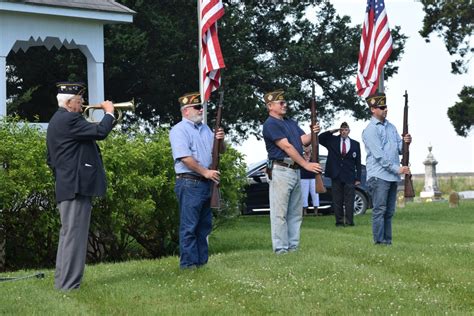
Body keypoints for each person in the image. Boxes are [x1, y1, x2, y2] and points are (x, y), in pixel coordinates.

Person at [46, 82, 115, 290]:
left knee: (69, 236)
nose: (83, 103)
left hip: (68, 185)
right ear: (68, 103)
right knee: (74, 237)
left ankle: (63, 282)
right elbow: (101, 131)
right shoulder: (70, 118)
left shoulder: (57, 120)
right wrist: (109, 113)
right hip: (75, 186)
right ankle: (68, 285)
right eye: (79, 100)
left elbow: (50, 159)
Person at [262, 89, 322, 254]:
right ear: (270, 106)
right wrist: (306, 164)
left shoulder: (290, 122)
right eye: (280, 103)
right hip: (281, 169)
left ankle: (293, 247)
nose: (284, 105)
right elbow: (287, 146)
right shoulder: (270, 124)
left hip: (294, 170)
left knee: (295, 213)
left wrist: (314, 132)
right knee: (279, 213)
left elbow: (302, 140)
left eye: (284, 102)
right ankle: (281, 249)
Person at [169, 92, 225, 269]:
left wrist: (220, 140)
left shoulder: (206, 129)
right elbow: (184, 157)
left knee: (204, 227)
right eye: (197, 107)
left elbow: (220, 151)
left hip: (204, 183)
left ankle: (201, 263)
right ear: (186, 111)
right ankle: (188, 264)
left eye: (200, 107)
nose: (201, 110)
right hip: (190, 181)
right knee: (189, 227)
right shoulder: (179, 130)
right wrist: (205, 172)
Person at [362, 92, 411, 245]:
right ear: (373, 109)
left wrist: (407, 142)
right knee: (379, 210)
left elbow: (399, 149)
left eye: (385, 107)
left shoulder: (391, 127)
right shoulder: (370, 130)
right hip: (379, 176)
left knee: (389, 212)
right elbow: (380, 157)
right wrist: (398, 169)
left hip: (391, 176)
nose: (385, 109)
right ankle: (379, 242)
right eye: (381, 107)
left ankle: (387, 241)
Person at [319, 122, 362, 227]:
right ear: (340, 130)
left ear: (349, 131)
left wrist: (358, 177)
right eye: (342, 130)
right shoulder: (332, 141)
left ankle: (349, 221)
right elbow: (320, 138)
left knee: (349, 199)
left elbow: (358, 162)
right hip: (336, 174)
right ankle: (339, 221)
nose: (344, 132)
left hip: (349, 175)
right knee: (337, 199)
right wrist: (332, 131)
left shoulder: (355, 144)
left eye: (346, 130)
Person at [300, 146, 320, 216]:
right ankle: (304, 211)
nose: (306, 149)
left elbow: (318, 165)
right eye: (305, 148)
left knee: (315, 194)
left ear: (311, 148)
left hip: (313, 177)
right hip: (303, 177)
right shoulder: (301, 156)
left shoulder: (314, 156)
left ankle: (316, 211)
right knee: (304, 195)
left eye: (308, 147)